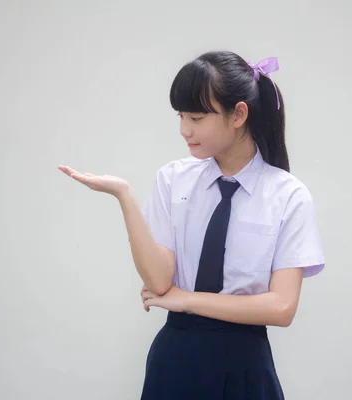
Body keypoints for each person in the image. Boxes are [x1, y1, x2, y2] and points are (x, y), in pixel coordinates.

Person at [58, 50, 325, 400]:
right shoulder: (173, 179)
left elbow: (281, 308)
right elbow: (157, 281)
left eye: (196, 117)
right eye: (181, 116)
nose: (185, 129)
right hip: (176, 361)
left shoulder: (288, 196)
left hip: (244, 364)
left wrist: (187, 300)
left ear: (238, 115)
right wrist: (124, 196)